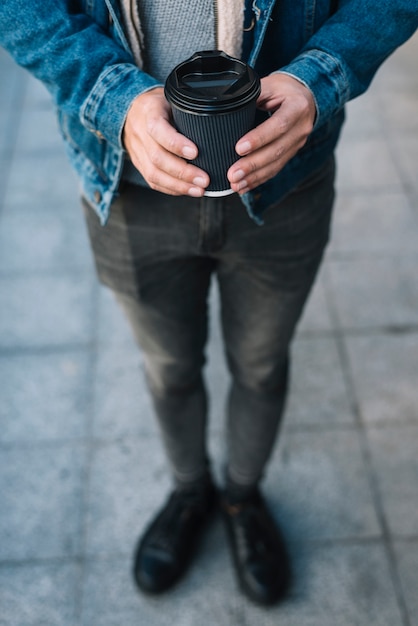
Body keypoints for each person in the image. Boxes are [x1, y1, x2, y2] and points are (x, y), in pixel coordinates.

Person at [1, 0, 417, 607]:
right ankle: (190, 490)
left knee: (262, 364)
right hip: (129, 190)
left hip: (284, 183)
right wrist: (115, 95)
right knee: (169, 368)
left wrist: (319, 76)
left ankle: (242, 496)